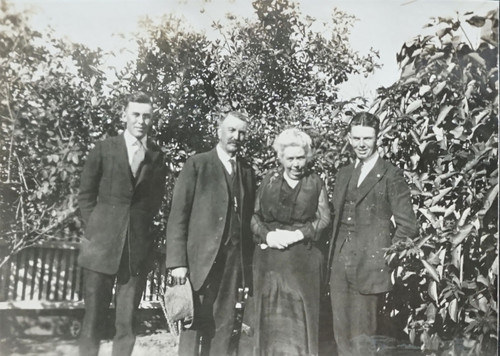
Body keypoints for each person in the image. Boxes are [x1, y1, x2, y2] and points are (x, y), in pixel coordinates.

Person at [77, 92, 166, 356]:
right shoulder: (104, 148)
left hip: (135, 252)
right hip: (100, 249)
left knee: (127, 325)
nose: (141, 121)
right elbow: (86, 195)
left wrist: (144, 236)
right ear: (124, 116)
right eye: (136, 114)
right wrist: (96, 230)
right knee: (92, 322)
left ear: (152, 119)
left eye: (147, 116)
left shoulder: (157, 155)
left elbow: (154, 201)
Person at [326, 112, 418, 356]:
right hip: (339, 265)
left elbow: (408, 226)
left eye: (367, 138)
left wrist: (384, 260)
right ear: (349, 138)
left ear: (378, 138)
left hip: (369, 268)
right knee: (340, 335)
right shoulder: (344, 173)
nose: (361, 144)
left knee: (363, 340)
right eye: (356, 138)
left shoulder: (390, 174)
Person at [165, 111, 255, 356]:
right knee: (193, 324)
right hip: (198, 263)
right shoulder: (198, 164)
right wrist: (177, 263)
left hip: (232, 263)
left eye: (241, 132)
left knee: (223, 326)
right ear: (219, 131)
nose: (236, 136)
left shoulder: (247, 171)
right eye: (231, 130)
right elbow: (178, 215)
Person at [246, 128, 330, 356]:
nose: (296, 164)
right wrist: (268, 236)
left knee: (301, 323)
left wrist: (299, 234)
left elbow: (324, 219)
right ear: (281, 158)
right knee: (270, 323)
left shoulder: (315, 183)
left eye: (300, 158)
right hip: (270, 263)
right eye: (290, 158)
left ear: (308, 156)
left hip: (303, 263)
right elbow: (254, 217)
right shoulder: (268, 181)